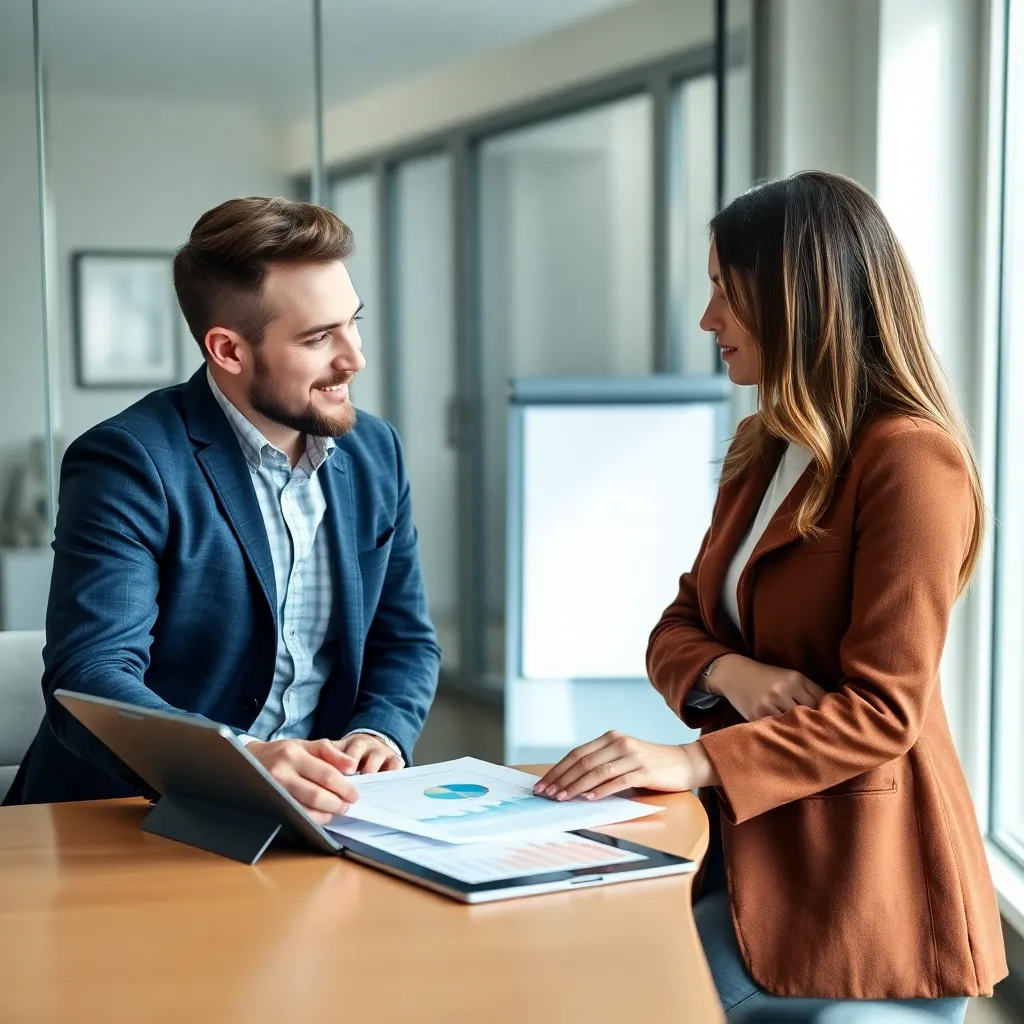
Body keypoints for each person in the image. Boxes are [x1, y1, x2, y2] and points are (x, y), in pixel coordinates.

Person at [534, 172, 1007, 1021]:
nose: (707, 319)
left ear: (797, 298)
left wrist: (693, 760)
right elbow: (677, 626)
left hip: (861, 885)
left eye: (726, 290)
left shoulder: (910, 461)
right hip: (748, 850)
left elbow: (885, 711)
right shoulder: (764, 443)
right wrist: (734, 674)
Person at [6, 197, 441, 823]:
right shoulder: (128, 461)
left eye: (353, 322)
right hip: (131, 816)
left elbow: (405, 639)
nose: (354, 358)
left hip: (323, 813)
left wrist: (380, 732)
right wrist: (244, 760)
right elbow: (89, 678)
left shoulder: (375, 450)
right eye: (319, 337)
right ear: (229, 350)